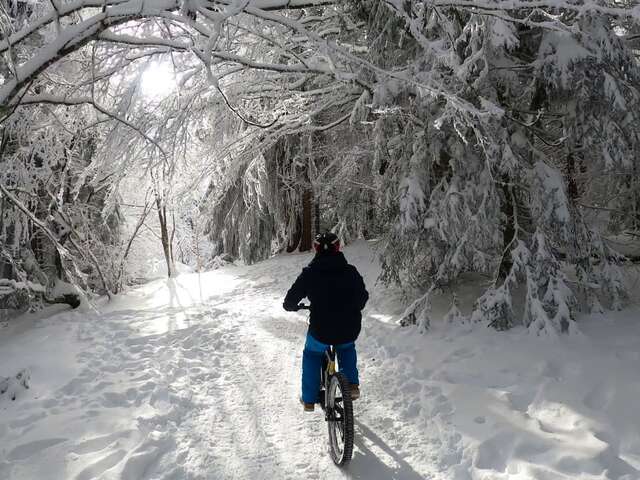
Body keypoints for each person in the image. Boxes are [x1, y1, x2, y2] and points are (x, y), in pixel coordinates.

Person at [283, 232, 369, 412]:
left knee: (312, 354)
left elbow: (290, 300)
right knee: (346, 347)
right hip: (348, 326)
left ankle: (308, 399)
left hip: (321, 329)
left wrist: (292, 306)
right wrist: (352, 307)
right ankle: (352, 385)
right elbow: (362, 297)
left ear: (316, 249)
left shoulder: (310, 273)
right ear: (338, 248)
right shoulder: (350, 271)